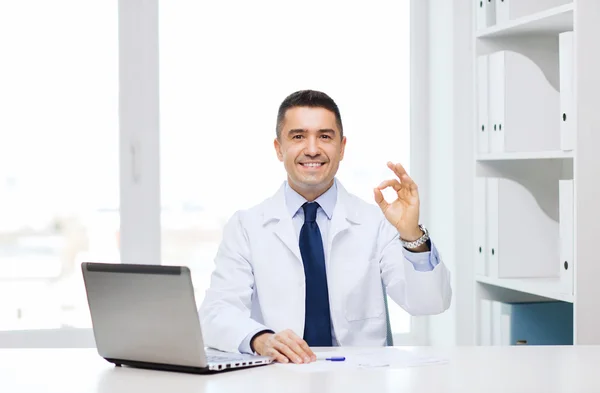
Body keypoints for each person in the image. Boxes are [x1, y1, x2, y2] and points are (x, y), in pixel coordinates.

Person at [199, 90, 451, 364]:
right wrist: (262, 339)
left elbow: (430, 303)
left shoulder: (376, 222)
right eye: (298, 136)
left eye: (325, 136)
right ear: (278, 148)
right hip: (278, 377)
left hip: (360, 380)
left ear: (341, 148)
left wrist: (411, 233)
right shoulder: (246, 226)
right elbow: (216, 312)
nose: (312, 149)